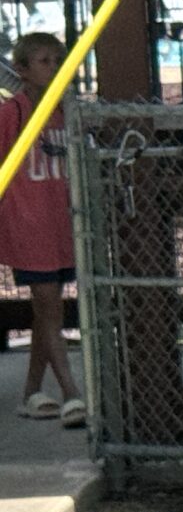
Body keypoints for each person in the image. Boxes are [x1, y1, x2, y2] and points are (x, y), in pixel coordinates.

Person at [0, 32, 85, 429]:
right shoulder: (12, 114)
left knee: (47, 310)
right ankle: (71, 392)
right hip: (28, 224)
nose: (53, 68)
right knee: (49, 304)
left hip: (59, 224)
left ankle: (31, 394)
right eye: (44, 61)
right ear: (22, 70)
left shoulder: (65, 112)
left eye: (57, 61)